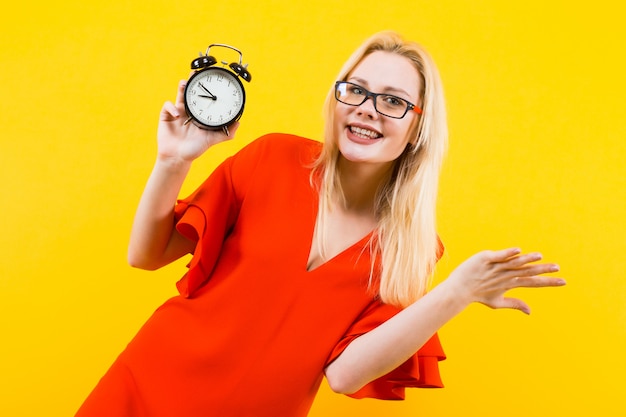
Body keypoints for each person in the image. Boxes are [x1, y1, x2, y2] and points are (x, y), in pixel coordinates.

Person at [75, 31, 565, 417]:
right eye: (355, 90)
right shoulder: (273, 157)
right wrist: (171, 160)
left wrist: (456, 293)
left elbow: (346, 376)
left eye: (392, 100)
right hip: (145, 389)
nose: (366, 109)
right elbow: (145, 255)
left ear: (419, 126)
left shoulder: (412, 247)